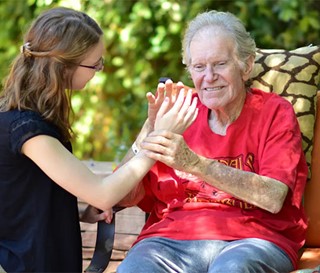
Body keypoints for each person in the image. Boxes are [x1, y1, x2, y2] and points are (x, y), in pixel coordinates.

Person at [0, 7, 198, 272]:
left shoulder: (29, 120)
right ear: (64, 67)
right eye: (95, 64)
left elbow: (30, 198)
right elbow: (103, 194)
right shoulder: (26, 131)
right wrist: (162, 138)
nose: (98, 71)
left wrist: (147, 131)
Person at [116, 10, 308, 273]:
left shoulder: (274, 112)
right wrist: (149, 129)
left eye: (219, 64)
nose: (208, 76)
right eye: (198, 67)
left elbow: (273, 197)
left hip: (253, 240)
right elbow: (124, 196)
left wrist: (195, 163)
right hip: (169, 242)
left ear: (246, 65)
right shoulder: (178, 112)